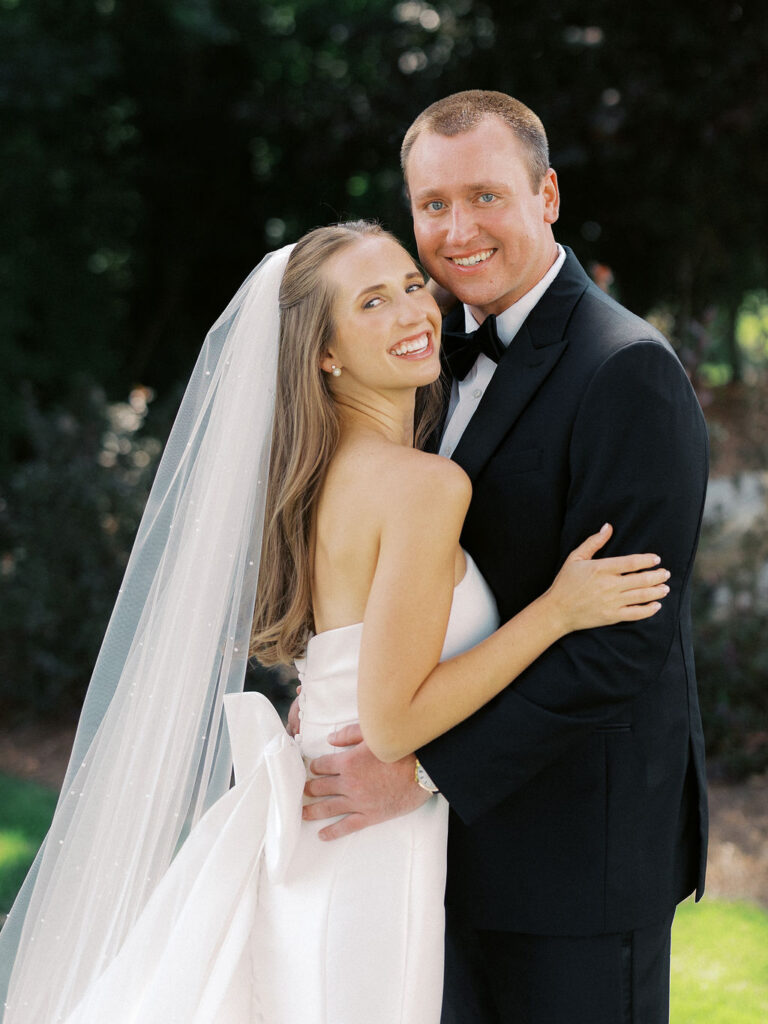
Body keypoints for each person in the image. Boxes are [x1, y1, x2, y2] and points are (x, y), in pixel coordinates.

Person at [0, 221, 671, 1023]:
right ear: (326, 353)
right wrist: (557, 613)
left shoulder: (325, 476)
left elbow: (352, 662)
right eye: (373, 302)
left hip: (319, 807)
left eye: (413, 286)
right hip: (366, 835)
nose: (414, 312)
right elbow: (392, 725)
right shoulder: (423, 487)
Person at [302, 92, 710, 1024]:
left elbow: (621, 645)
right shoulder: (417, 351)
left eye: (485, 196)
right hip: (437, 850)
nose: (456, 231)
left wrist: (419, 772)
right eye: (433, 204)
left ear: (548, 195)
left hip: (576, 856)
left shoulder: (627, 372)